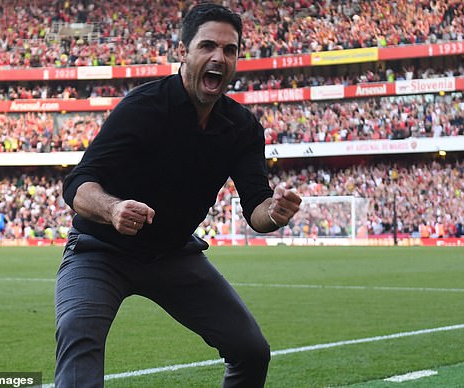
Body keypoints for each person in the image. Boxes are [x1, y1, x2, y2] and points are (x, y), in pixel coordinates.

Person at [55, 3, 302, 387]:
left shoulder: (241, 127)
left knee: (252, 351)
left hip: (172, 255)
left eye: (230, 49)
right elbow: (78, 183)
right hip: (100, 251)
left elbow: (257, 207)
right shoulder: (143, 107)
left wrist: (275, 212)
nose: (219, 57)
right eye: (207, 46)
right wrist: (113, 208)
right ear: (183, 51)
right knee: (78, 332)